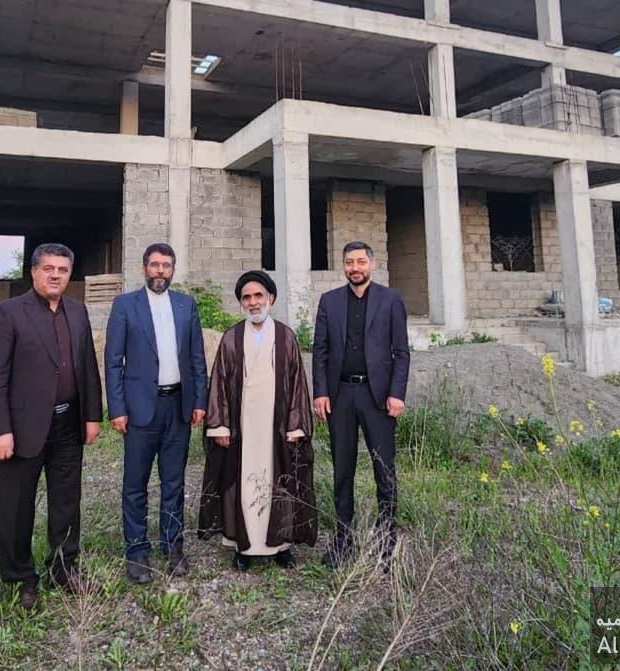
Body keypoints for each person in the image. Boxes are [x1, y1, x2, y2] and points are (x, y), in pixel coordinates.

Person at [0, 243, 103, 610]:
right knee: (16, 506)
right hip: (21, 428)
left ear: (70, 274)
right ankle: (20, 577)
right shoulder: (8, 313)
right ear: (33, 272)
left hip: (68, 424)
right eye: (48, 268)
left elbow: (87, 367)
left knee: (66, 501)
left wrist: (92, 415)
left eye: (62, 270)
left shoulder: (78, 312)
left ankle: (63, 568)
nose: (55, 275)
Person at [197, 271, 316, 570]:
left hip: (277, 426)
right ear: (241, 303)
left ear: (270, 298)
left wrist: (296, 424)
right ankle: (244, 546)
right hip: (243, 428)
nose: (253, 302)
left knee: (280, 481)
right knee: (244, 483)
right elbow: (219, 382)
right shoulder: (231, 337)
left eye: (258, 295)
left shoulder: (286, 336)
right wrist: (220, 425)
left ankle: (281, 545)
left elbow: (298, 383)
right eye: (247, 297)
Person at [105, 243, 207, 583]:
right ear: (144, 268)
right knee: (135, 484)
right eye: (154, 264)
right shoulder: (125, 305)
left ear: (173, 270)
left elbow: (197, 358)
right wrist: (117, 408)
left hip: (178, 406)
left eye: (166, 265)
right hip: (139, 409)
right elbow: (113, 361)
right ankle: (137, 551)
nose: (160, 270)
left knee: (174, 482)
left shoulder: (186, 305)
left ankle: (173, 546)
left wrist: (200, 401)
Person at [311, 241, 409, 568]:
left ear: (372, 264)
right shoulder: (329, 301)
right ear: (344, 266)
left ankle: (386, 541)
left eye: (361, 262)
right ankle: (344, 540)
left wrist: (397, 393)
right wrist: (320, 392)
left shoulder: (390, 300)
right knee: (343, 470)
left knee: (384, 468)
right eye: (350, 262)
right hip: (340, 395)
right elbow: (320, 351)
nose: (355, 268)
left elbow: (401, 352)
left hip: (377, 397)